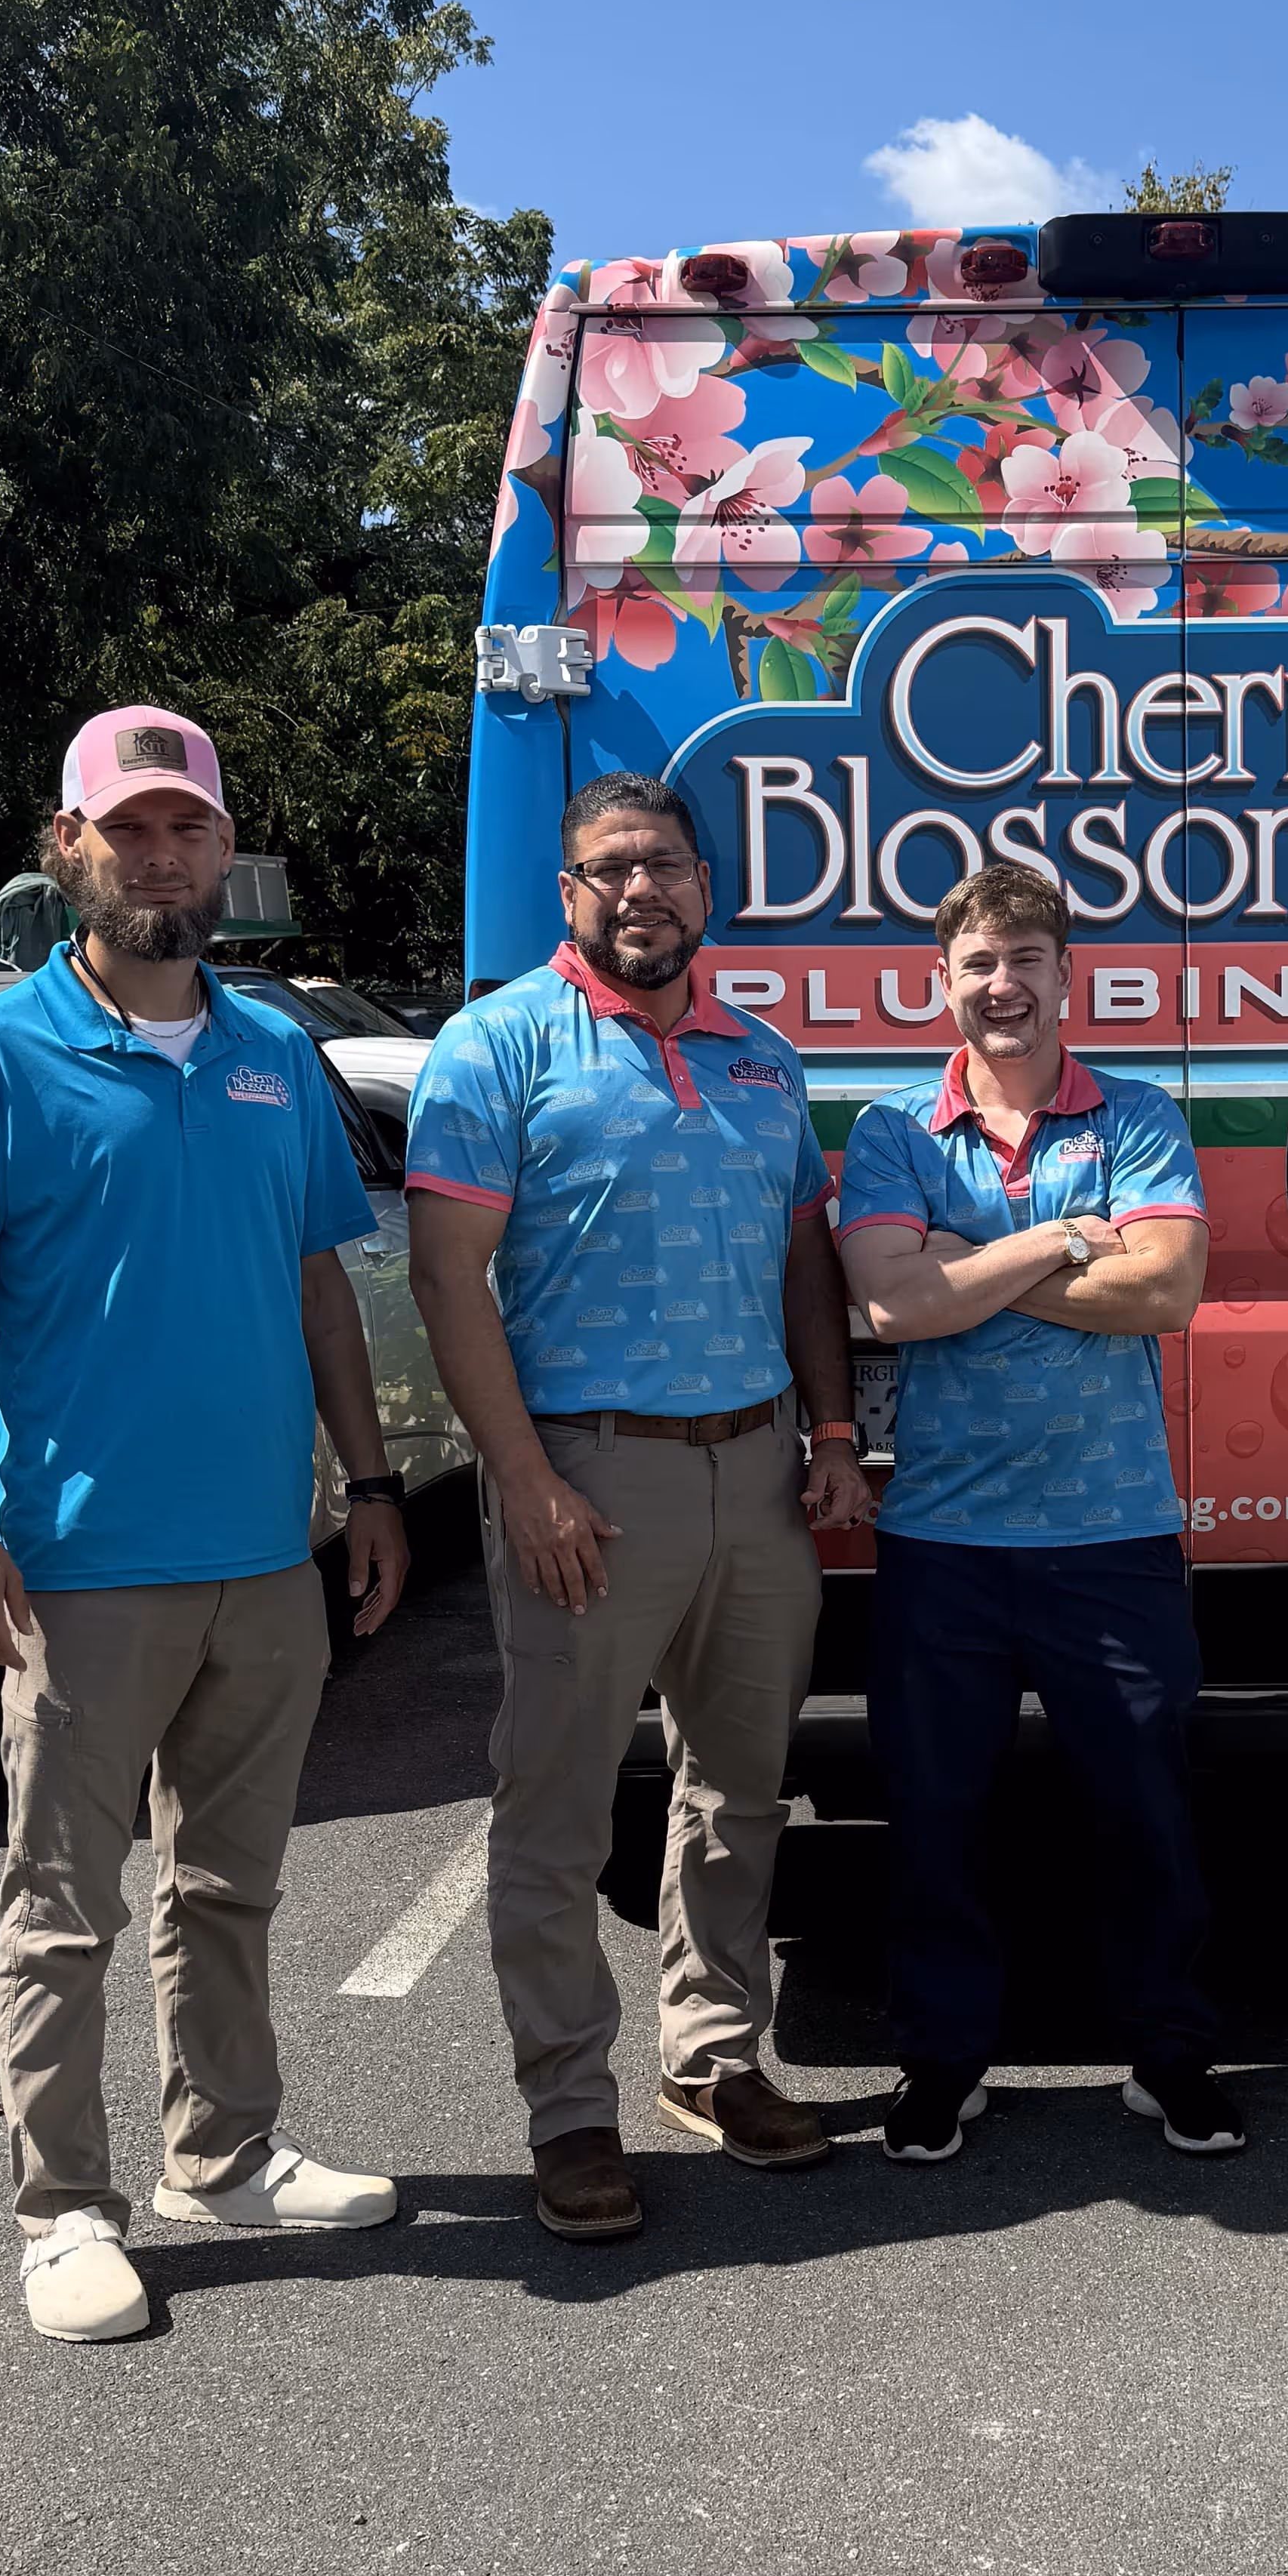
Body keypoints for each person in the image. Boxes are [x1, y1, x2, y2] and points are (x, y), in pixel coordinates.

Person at [0, 707, 414, 2345]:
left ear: (224, 852)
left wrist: (372, 1486)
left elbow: (321, 1288)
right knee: (63, 1910)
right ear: (69, 848)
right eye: (129, 829)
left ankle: (228, 2153)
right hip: (80, 1562)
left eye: (188, 828)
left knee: (230, 1886)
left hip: (264, 1554)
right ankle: (63, 2211)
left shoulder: (272, 1053)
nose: (162, 856)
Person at [405, 775, 872, 2245]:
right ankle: (569, 2111)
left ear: (705, 887)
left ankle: (714, 2057)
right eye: (607, 869)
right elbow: (446, 1278)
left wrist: (834, 1428)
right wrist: (525, 1479)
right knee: (555, 1807)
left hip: (759, 1468)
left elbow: (804, 1261)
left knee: (738, 1791)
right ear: (569, 894)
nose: (638, 891)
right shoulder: (499, 1046)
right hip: (590, 1481)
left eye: (661, 865)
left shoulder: (761, 1059)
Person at [837, 863, 1234, 2163]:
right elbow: (890, 1306)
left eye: (1025, 960)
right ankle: (942, 2064)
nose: (1001, 985)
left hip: (1113, 1536)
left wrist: (965, 1268)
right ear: (940, 983)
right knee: (937, 1824)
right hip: (942, 1541)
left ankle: (1170, 2057)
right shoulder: (895, 1129)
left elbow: (1166, 1293)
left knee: (1148, 1819)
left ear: (1068, 976)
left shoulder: (1138, 1113)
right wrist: (1065, 1239)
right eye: (978, 964)